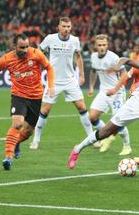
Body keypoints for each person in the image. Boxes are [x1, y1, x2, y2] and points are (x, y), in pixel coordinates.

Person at [0, 34, 55, 170]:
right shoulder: (7, 59)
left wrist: (51, 85)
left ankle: (17, 142)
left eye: (26, 47)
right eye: (22, 47)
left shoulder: (36, 54)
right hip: (18, 95)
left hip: (36, 97)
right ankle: (8, 157)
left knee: (29, 131)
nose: (25, 50)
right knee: (17, 123)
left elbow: (49, 68)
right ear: (14, 46)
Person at [30, 17, 92, 150]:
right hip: (54, 80)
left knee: (81, 107)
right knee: (45, 109)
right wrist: (38, 75)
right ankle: (36, 140)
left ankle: (91, 138)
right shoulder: (50, 39)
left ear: (71, 27)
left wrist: (81, 74)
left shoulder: (75, 40)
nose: (66, 29)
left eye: (68, 27)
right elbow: (39, 55)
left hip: (70, 80)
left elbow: (78, 57)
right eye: (64, 26)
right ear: (58, 27)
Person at [88, 34, 131, 155]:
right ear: (95, 46)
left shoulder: (113, 57)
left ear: (107, 45)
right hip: (103, 91)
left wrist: (115, 89)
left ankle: (127, 146)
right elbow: (93, 71)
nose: (102, 47)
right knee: (92, 117)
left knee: (118, 120)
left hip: (117, 92)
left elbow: (124, 74)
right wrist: (91, 86)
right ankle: (107, 134)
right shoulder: (93, 57)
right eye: (100, 45)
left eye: (104, 45)